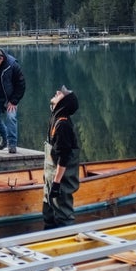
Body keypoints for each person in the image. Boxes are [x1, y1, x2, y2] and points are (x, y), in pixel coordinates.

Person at [42, 85, 80, 229]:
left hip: (61, 180)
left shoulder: (63, 125)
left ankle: (67, 236)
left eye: (61, 94)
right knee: (48, 214)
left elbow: (64, 157)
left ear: (64, 102)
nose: (57, 92)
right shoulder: (55, 118)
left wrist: (57, 183)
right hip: (51, 178)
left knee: (64, 216)